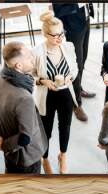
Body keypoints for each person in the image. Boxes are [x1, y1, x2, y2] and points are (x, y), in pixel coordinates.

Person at [31, 11, 78, 174]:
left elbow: (75, 69)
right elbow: (30, 76)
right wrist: (43, 81)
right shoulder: (37, 52)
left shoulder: (68, 47)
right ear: (45, 34)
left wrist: (70, 77)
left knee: (65, 127)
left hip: (66, 94)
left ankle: (62, 156)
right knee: (46, 130)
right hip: (46, 96)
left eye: (62, 33)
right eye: (55, 35)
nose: (60, 38)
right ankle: (44, 158)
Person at [0, 41, 47, 174]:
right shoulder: (24, 98)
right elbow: (25, 138)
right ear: (19, 65)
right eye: (29, 58)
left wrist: (1, 136)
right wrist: (3, 145)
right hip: (27, 159)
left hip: (10, 154)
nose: (33, 58)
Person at [53, 3, 96, 122]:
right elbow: (58, 8)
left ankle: (78, 88)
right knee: (77, 65)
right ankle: (76, 104)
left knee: (84, 58)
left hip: (85, 19)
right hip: (72, 25)